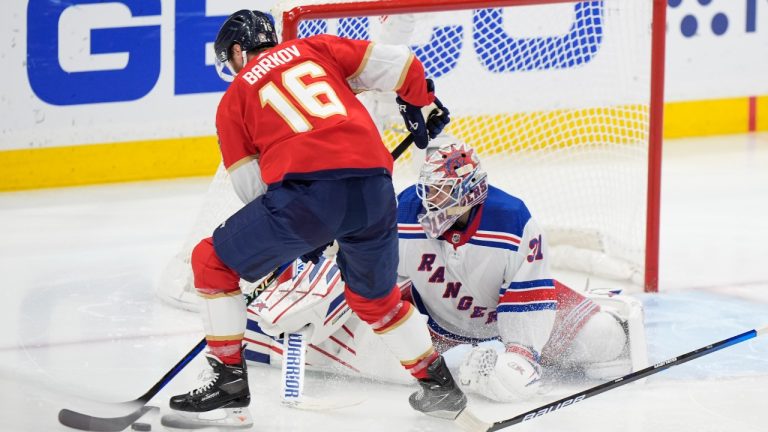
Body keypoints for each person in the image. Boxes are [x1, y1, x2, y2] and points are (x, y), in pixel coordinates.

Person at [161, 9, 463, 429]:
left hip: (307, 200)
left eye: (229, 60)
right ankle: (439, 386)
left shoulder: (234, 100)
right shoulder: (315, 48)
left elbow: (253, 191)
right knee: (374, 299)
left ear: (236, 50)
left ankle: (229, 380)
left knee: (211, 261)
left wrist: (300, 234)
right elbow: (403, 64)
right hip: (375, 190)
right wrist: (418, 103)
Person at [245, 136, 646, 403]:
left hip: (513, 314)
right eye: (428, 190)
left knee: (603, 342)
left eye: (441, 193)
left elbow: (531, 294)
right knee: (411, 366)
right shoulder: (405, 211)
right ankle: (462, 364)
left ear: (469, 193)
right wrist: (317, 264)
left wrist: (523, 354)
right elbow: (362, 261)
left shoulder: (512, 221)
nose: (429, 201)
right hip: (439, 326)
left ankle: (593, 319)